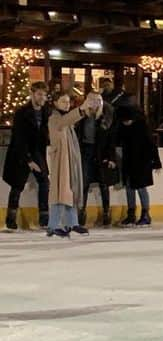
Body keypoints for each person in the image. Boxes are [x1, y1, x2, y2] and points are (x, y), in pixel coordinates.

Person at [4, 81, 51, 231]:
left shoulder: (46, 112)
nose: (42, 98)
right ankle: (11, 219)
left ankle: (44, 218)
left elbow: (45, 133)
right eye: (39, 94)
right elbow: (19, 138)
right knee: (17, 185)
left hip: (37, 151)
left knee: (44, 181)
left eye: (44, 95)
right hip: (21, 153)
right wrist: (28, 160)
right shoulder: (22, 112)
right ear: (32, 94)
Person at [46, 93, 90, 237]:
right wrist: (81, 109)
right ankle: (53, 226)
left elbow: (69, 119)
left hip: (68, 160)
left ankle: (72, 223)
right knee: (60, 193)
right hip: (60, 161)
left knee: (69, 191)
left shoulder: (66, 120)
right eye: (63, 101)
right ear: (55, 103)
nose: (66, 104)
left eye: (68, 102)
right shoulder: (55, 119)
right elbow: (65, 121)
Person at [115, 105, 161, 227]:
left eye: (126, 120)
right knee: (129, 187)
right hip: (128, 162)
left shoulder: (142, 127)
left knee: (141, 187)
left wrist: (156, 162)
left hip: (142, 162)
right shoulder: (122, 128)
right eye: (123, 121)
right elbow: (117, 140)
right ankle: (131, 214)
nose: (125, 123)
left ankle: (145, 214)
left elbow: (151, 144)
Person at [77, 91, 117, 228]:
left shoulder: (105, 119)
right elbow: (76, 136)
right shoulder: (81, 118)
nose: (95, 103)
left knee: (103, 184)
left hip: (101, 153)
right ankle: (81, 212)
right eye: (92, 100)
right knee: (84, 183)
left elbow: (111, 140)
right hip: (86, 152)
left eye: (97, 101)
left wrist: (111, 157)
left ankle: (106, 212)